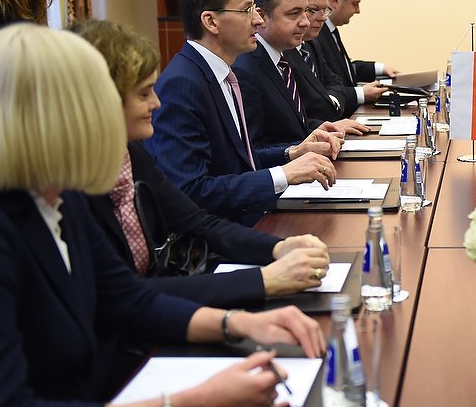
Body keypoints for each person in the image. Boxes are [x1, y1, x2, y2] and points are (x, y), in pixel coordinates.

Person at [0, 24, 326, 407]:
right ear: (63, 117)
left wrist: (240, 324)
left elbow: (128, 300)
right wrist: (194, 405)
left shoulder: (59, 197)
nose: (155, 105)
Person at [73, 19, 330, 308]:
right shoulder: (72, 185)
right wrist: (265, 280)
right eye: (144, 93)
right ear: (102, 99)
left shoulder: (129, 153)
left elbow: (198, 222)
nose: (156, 103)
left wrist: (279, 247)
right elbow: (122, 294)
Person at [144, 0, 337, 226]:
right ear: (211, 21)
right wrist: (282, 175)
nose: (258, 20)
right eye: (247, 10)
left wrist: (292, 153)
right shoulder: (183, 84)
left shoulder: (222, 73)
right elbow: (190, 191)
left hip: (248, 218)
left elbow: (236, 162)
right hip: (221, 234)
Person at [232, 0, 367, 145]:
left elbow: (288, 126)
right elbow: (252, 149)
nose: (305, 22)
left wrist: (321, 128)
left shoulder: (279, 56)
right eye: (294, 13)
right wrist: (294, 151)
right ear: (262, 16)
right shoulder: (245, 69)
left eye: (305, 11)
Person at [315, 0, 396, 109]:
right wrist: (361, 93)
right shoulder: (316, 36)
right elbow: (323, 90)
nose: (358, 10)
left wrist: (380, 68)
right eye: (355, 3)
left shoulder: (331, 31)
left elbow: (344, 70)